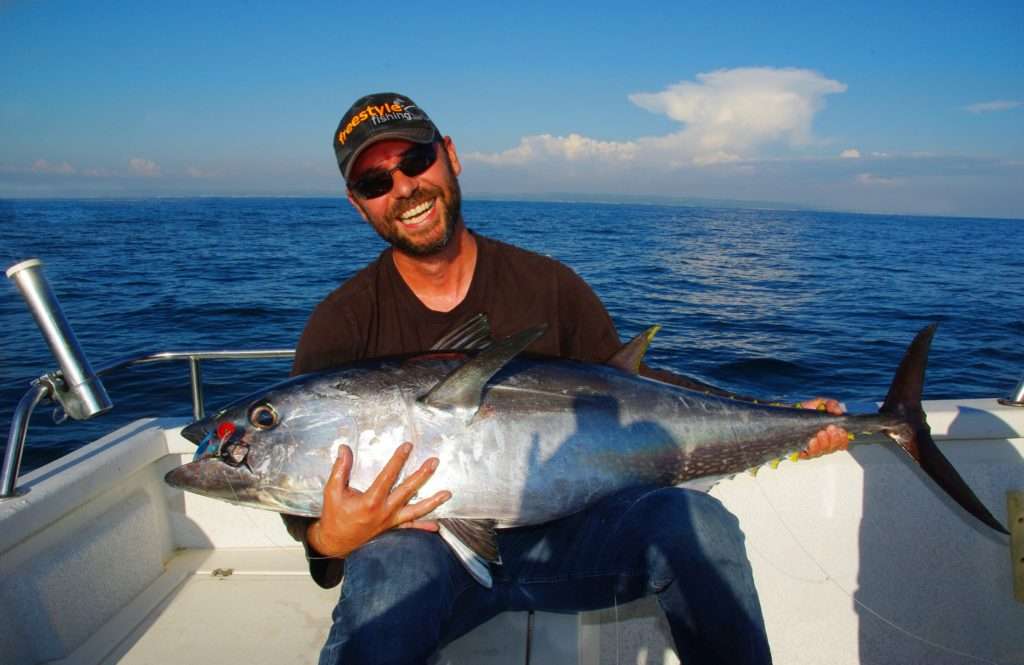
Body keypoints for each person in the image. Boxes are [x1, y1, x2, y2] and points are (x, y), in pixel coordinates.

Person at [286, 92, 850, 665]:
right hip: (424, 558)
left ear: (450, 156)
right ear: (359, 205)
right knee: (386, 572)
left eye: (413, 162)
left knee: (698, 526)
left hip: (575, 540)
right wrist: (329, 537)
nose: (403, 188)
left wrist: (785, 423)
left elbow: (633, 392)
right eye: (375, 183)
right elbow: (300, 504)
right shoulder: (343, 324)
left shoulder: (547, 285)